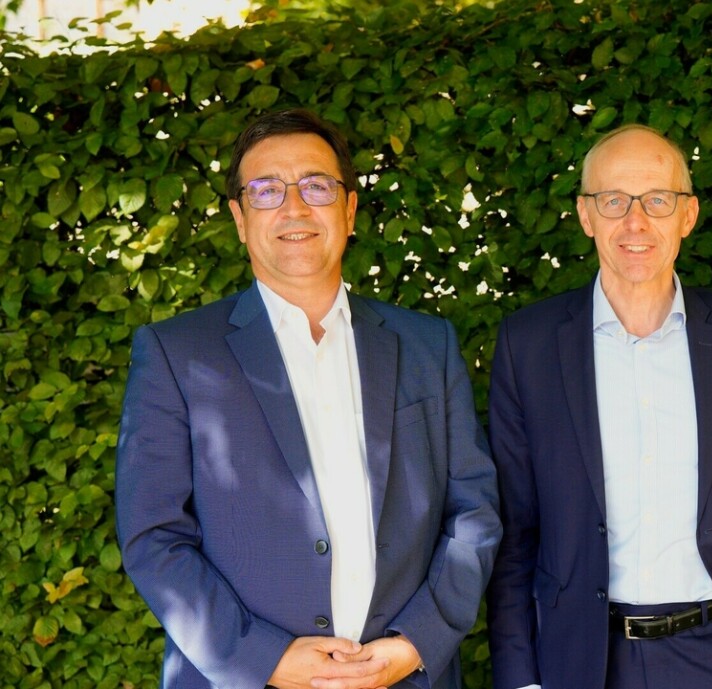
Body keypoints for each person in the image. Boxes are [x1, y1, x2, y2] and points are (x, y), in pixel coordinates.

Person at [115, 109, 501, 689]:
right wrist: (263, 659)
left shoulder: (427, 344)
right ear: (240, 220)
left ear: (348, 211)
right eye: (266, 191)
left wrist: (417, 641)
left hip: (407, 676)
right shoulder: (177, 354)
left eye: (316, 186)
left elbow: (472, 511)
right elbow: (154, 536)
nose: (294, 207)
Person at [486, 124, 712, 689]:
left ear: (688, 215)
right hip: (582, 662)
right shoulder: (528, 345)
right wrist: (521, 676)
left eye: (658, 201)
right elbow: (515, 528)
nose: (636, 223)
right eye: (613, 201)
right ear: (586, 216)